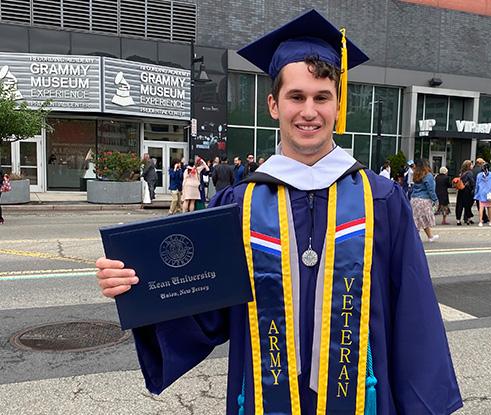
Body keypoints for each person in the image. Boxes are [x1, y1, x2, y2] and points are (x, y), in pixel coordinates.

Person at [95, 10, 462, 415]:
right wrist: (135, 283)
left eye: (322, 97)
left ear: (337, 105)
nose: (309, 111)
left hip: (360, 399)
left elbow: (413, 313)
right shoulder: (237, 206)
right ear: (273, 104)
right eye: (296, 97)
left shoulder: (382, 201)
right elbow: (203, 310)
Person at [410, 158, 440, 242]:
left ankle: (430, 236)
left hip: (414, 199)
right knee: (422, 220)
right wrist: (435, 199)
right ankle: (415, 238)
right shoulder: (428, 175)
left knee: (418, 219)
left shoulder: (416, 174)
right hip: (424, 200)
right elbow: (431, 189)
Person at [454, 160, 475, 226]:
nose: (472, 166)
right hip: (467, 191)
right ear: (468, 166)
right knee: (467, 205)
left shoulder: (461, 172)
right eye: (471, 164)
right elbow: (472, 182)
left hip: (461, 190)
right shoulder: (469, 173)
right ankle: (468, 219)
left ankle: (458, 220)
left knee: (459, 205)